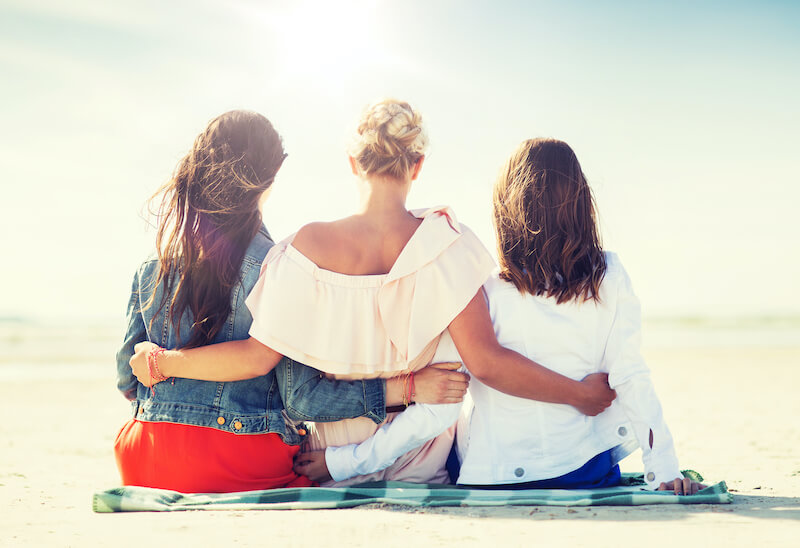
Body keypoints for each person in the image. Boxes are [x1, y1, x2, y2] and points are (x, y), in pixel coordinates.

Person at [129, 101, 616, 487]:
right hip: (420, 460)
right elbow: (480, 366)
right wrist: (579, 395)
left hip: (328, 457)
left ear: (352, 162)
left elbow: (293, 395)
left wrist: (166, 362)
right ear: (418, 164)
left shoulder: (301, 251)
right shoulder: (449, 246)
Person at [115, 110, 469, 493]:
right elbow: (302, 399)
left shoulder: (151, 266)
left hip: (142, 458)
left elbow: (127, 377)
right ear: (272, 176)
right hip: (241, 458)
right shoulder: (278, 265)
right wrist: (407, 389)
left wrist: (164, 368)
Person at [451, 138, 704, 494]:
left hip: (492, 473)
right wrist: (663, 469)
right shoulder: (608, 274)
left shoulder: (481, 288)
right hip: (581, 472)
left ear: (506, 209)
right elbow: (630, 375)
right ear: (580, 203)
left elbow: (459, 379)